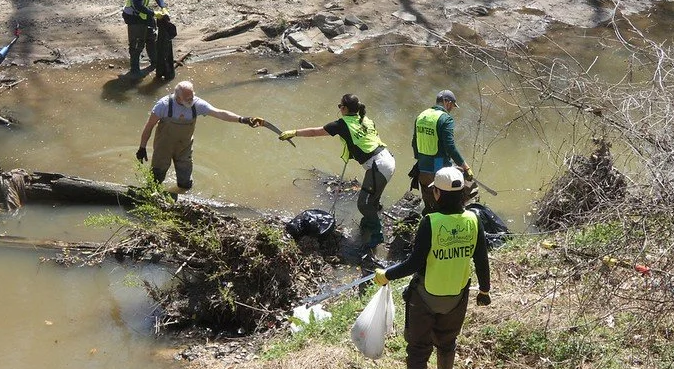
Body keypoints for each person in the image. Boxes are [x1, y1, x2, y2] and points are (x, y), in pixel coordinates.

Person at [373, 166, 491, 369]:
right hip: (457, 298)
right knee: (447, 344)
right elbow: (481, 259)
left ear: (437, 193)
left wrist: (386, 275)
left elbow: (414, 263)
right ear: (462, 195)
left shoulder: (431, 222)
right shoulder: (473, 220)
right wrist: (484, 290)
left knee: (417, 351)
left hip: (425, 297)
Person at [279, 94, 395, 250]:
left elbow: (315, 132)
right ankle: (367, 224)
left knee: (363, 204)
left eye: (340, 106)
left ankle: (377, 234)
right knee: (372, 200)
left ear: (345, 108)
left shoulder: (342, 124)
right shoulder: (365, 119)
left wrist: (294, 132)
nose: (339, 108)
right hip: (387, 159)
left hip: (378, 165)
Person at [136, 80, 263, 189]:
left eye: (192, 96)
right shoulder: (163, 105)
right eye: (187, 99)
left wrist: (243, 119)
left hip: (184, 148)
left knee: (185, 184)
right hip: (163, 147)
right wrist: (142, 147)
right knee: (155, 180)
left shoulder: (196, 105)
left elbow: (219, 113)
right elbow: (149, 126)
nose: (191, 100)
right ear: (178, 98)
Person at [413, 89, 473, 214]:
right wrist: (465, 167)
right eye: (451, 105)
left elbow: (414, 143)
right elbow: (450, 147)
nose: (451, 108)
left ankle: (427, 222)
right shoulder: (445, 119)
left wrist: (421, 160)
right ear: (447, 102)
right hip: (438, 167)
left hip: (422, 168)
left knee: (430, 203)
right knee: (467, 187)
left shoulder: (422, 115)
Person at [122, 0, 167, 78]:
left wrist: (163, 7)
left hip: (144, 15)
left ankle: (154, 63)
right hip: (133, 16)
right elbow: (138, 6)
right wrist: (154, 13)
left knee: (151, 39)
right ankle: (135, 70)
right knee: (137, 44)